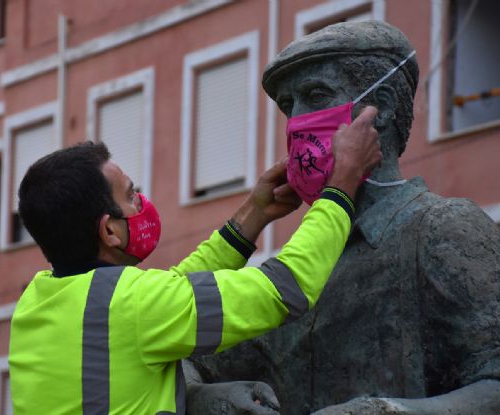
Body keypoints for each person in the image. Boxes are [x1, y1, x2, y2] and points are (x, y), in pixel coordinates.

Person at [189, 20, 500, 415]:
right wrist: (201, 395)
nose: (296, 121)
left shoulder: (444, 230)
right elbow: (175, 341)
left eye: (315, 95)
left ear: (382, 106)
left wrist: (385, 411)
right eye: (288, 106)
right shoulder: (300, 265)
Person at [7, 106, 381, 414]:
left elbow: (175, 288)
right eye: (131, 196)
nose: (141, 202)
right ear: (109, 231)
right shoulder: (134, 305)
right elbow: (284, 288)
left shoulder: (35, 302)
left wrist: (255, 212)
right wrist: (341, 186)